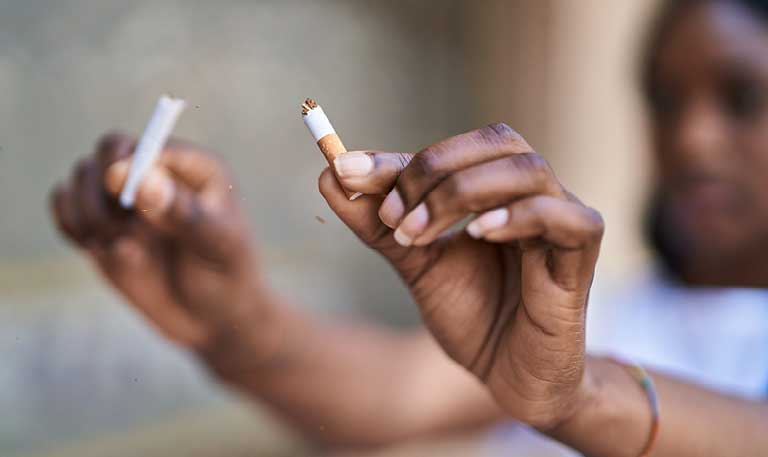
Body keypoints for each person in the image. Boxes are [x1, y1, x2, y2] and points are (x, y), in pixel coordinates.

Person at [50, 0, 768, 455]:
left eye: (742, 99)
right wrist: (229, 317)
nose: (692, 140)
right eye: (665, 100)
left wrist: (574, 394)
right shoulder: (610, 311)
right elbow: (388, 393)